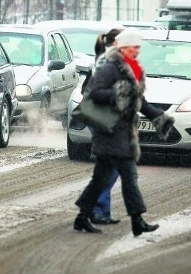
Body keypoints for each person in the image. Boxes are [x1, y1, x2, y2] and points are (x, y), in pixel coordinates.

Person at [73, 28, 175, 236]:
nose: (137, 51)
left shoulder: (132, 69)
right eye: (133, 47)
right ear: (122, 47)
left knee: (102, 179)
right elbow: (93, 93)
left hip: (123, 133)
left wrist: (159, 117)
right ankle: (136, 220)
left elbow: (138, 101)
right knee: (128, 178)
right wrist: (116, 93)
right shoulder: (110, 67)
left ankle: (83, 217)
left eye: (138, 47)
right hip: (109, 132)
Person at [86, 28, 123, 225]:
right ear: (117, 43)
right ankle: (96, 209)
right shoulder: (107, 61)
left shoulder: (107, 59)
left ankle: (101, 210)